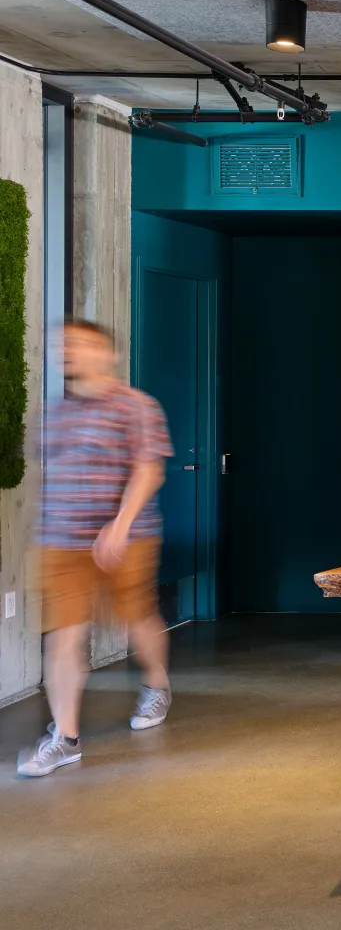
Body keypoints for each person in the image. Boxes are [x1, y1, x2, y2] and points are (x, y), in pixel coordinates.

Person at [18, 320, 175, 779]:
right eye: (63, 345)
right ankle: (64, 738)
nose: (69, 351)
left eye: (81, 344)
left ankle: (157, 684)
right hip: (62, 543)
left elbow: (149, 471)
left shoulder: (137, 407)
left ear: (108, 355)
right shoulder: (52, 413)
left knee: (137, 617)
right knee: (63, 636)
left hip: (127, 537)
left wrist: (119, 526)